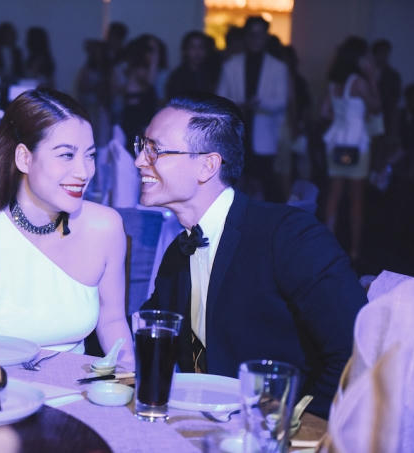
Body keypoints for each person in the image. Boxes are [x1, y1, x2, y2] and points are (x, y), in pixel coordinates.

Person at [136, 92, 367, 418]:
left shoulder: (288, 236)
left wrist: (295, 428)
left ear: (207, 166)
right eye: (142, 146)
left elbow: (358, 350)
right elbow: (146, 330)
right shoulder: (178, 252)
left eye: (154, 150)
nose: (139, 160)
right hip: (199, 424)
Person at [0, 89, 133, 362]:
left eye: (90, 155)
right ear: (24, 158)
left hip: (79, 384)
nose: (84, 172)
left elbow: (113, 322)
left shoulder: (105, 228)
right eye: (66, 155)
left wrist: (133, 378)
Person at [321, 36, 381, 263]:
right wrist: (373, 79)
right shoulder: (359, 82)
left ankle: (326, 245)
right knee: (357, 199)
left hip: (336, 142)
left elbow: (325, 112)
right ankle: (355, 250)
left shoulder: (334, 83)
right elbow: (377, 107)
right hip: (356, 144)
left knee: (334, 195)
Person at [216, 16, 289, 203]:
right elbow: (220, 98)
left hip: (265, 134)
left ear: (266, 37)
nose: (256, 39)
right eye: (252, 35)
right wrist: (239, 104)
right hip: (237, 132)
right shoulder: (231, 65)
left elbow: (281, 101)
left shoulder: (278, 67)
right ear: (246, 37)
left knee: (264, 183)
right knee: (234, 183)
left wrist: (258, 103)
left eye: (260, 35)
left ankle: (261, 218)